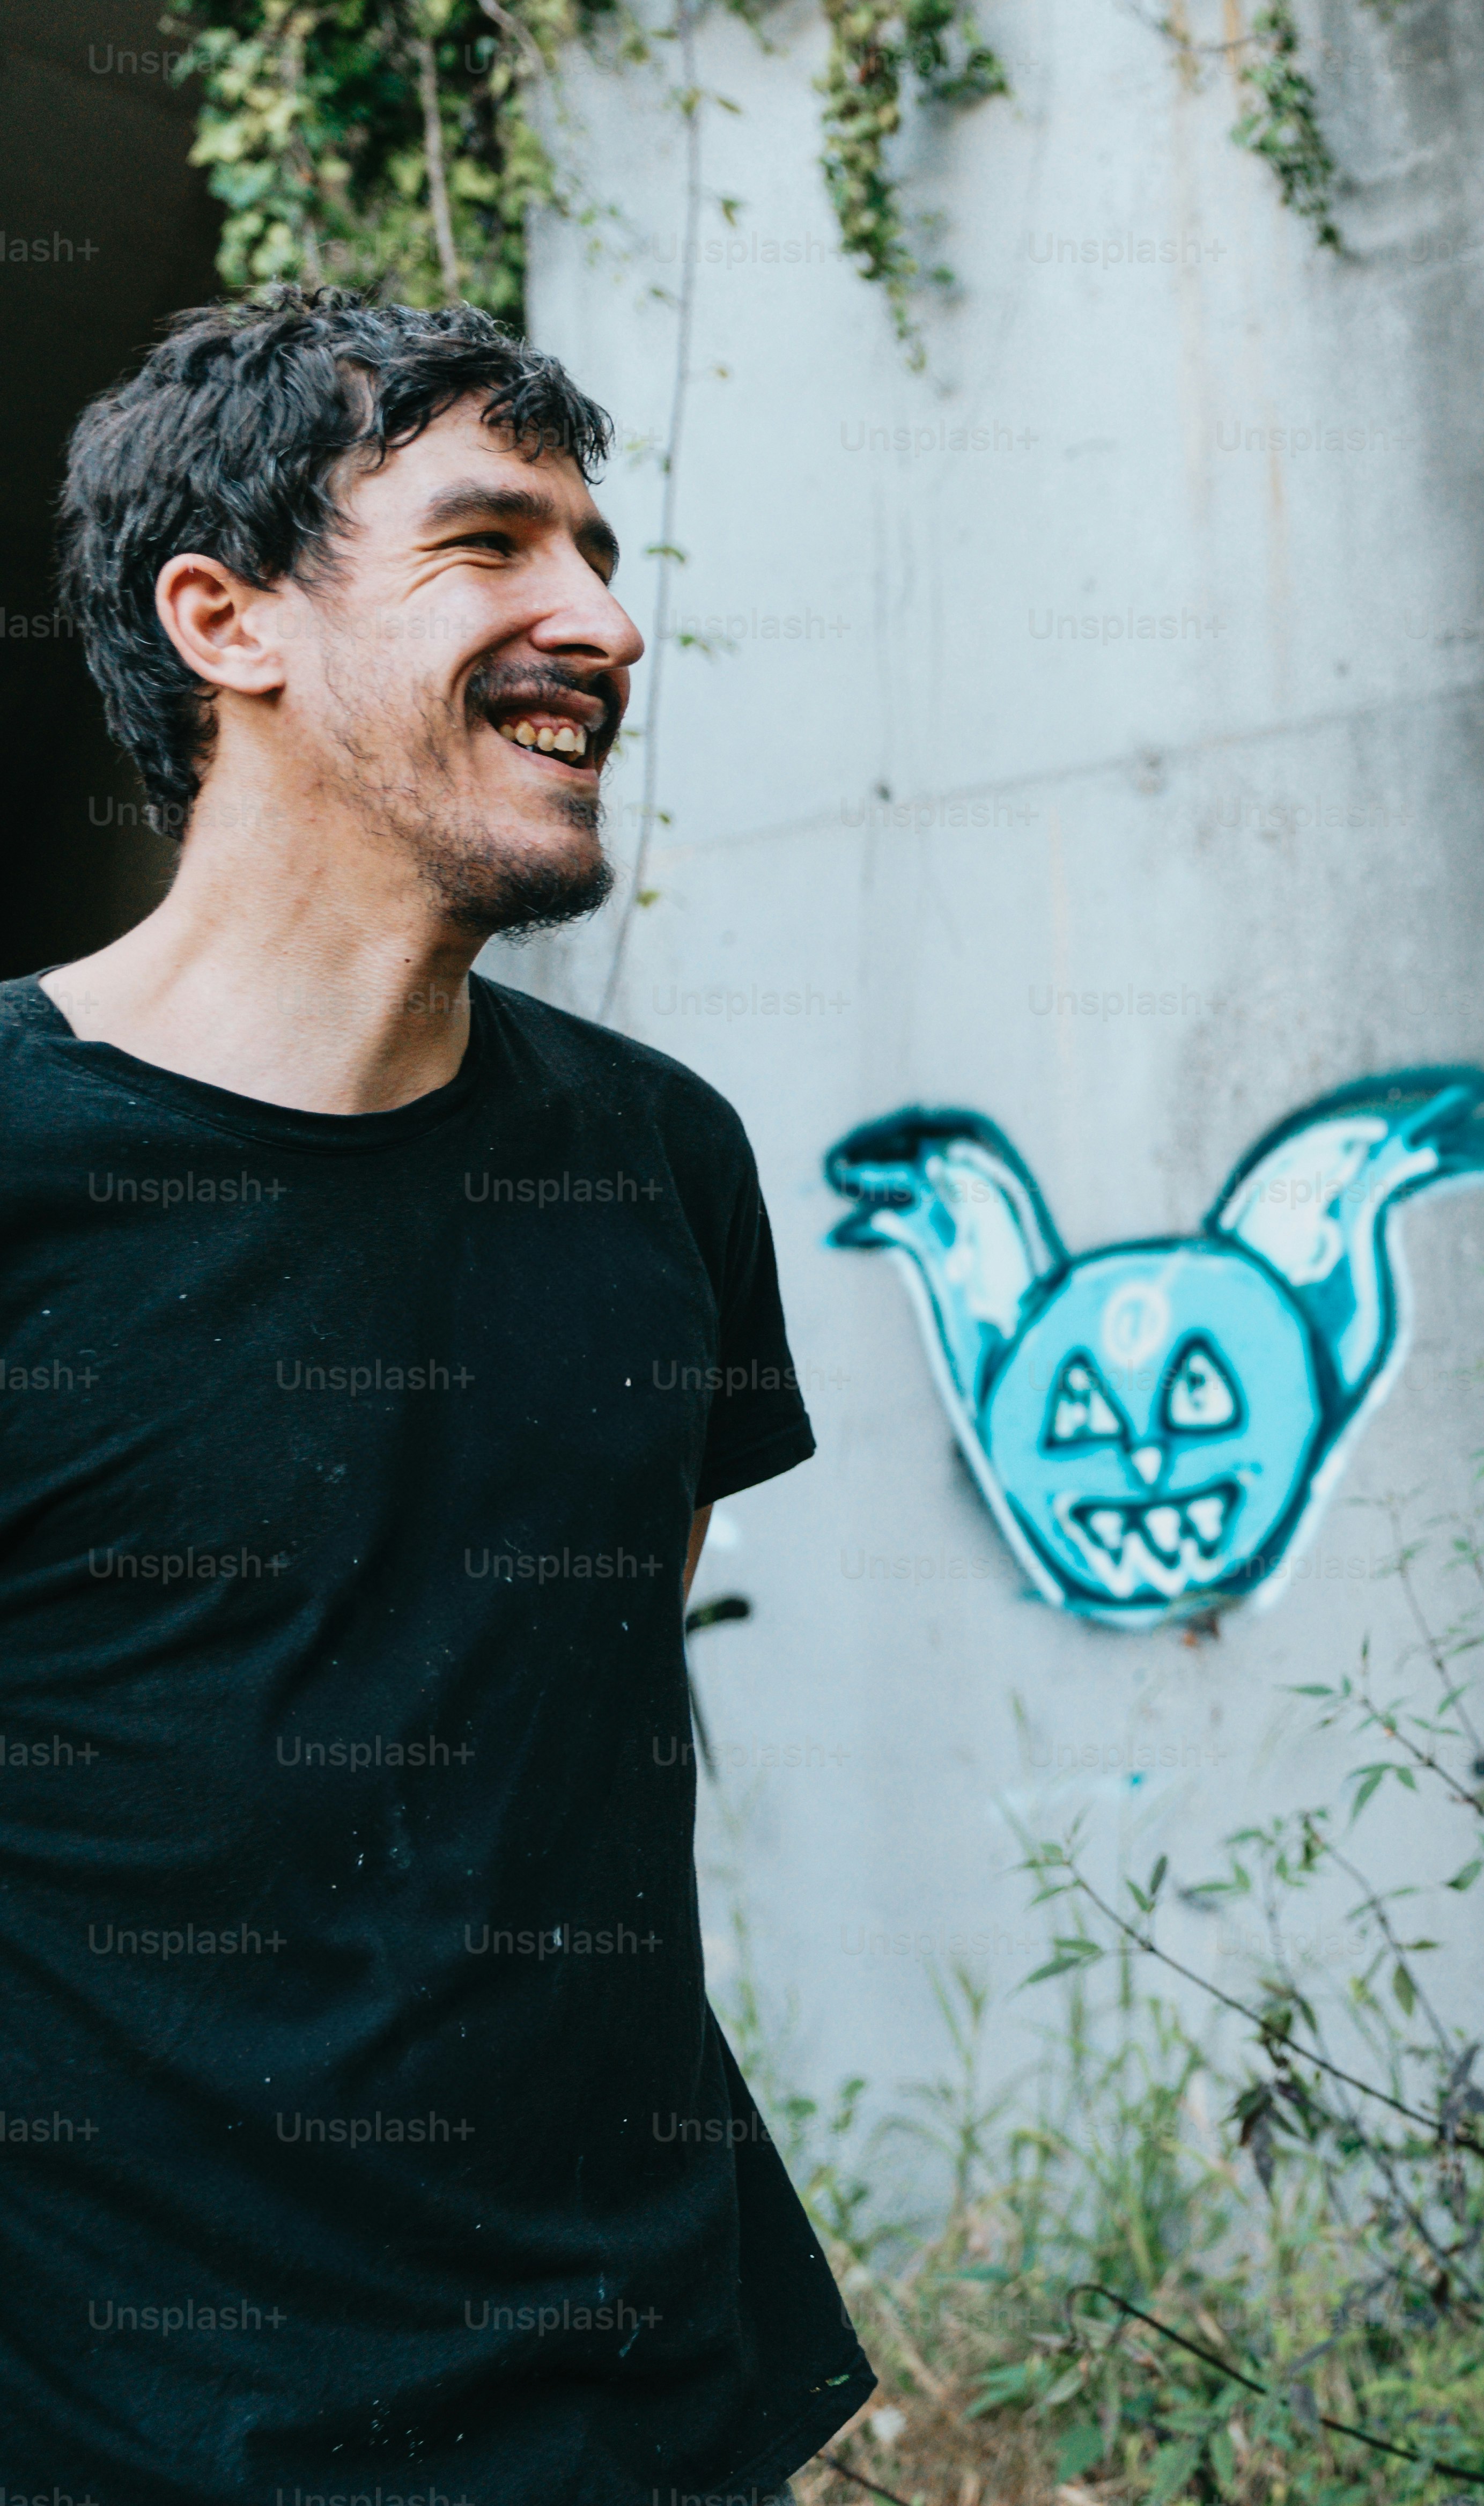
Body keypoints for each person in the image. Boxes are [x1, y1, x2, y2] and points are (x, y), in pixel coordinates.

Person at [0, 289, 863, 2498]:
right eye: (493, 544)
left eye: (597, 545)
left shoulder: (657, 1160)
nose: (605, 618)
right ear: (229, 621)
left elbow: (560, 1726)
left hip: (655, 2428)